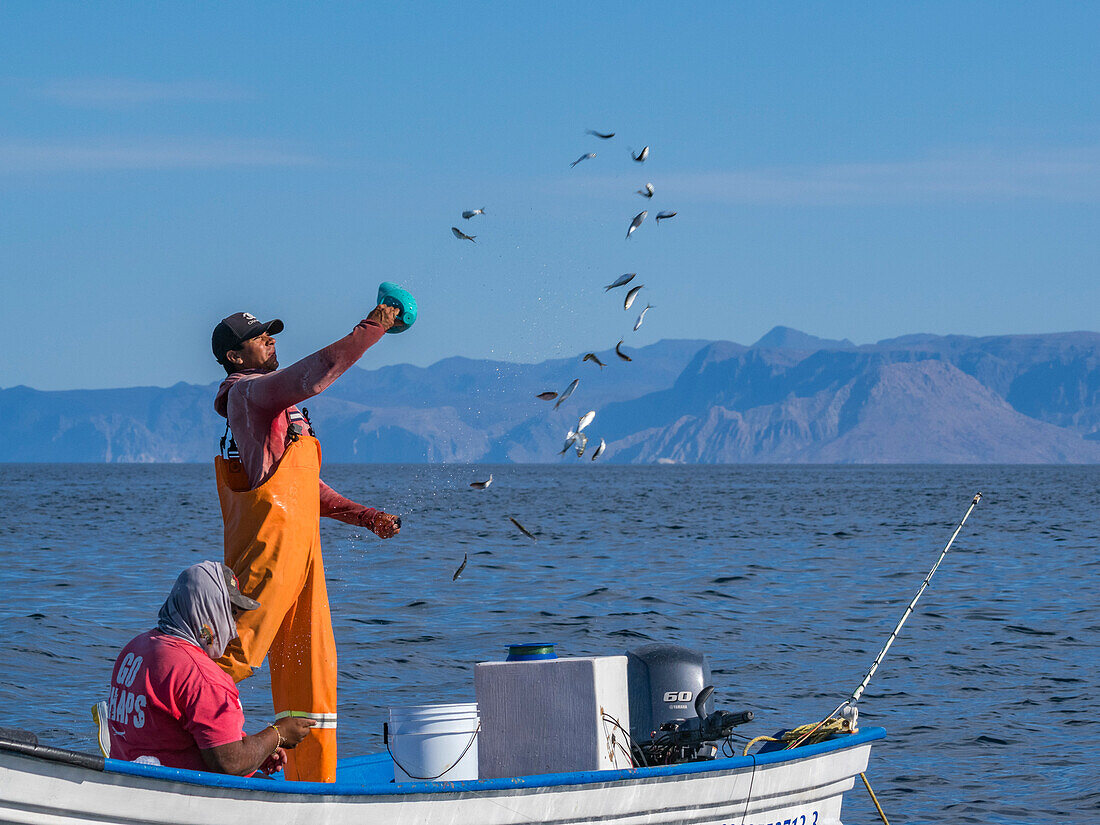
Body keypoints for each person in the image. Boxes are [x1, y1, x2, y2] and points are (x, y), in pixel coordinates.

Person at [210, 306, 401, 783]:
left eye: (270, 334)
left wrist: (366, 517)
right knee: (234, 654)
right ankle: (157, 727)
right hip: (267, 552)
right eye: (258, 338)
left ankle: (311, 781)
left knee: (310, 667)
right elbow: (314, 376)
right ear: (235, 356)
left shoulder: (277, 406)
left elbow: (303, 487)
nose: (270, 341)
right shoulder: (250, 394)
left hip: (303, 556)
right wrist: (372, 328)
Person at [106, 561, 315, 774]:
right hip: (175, 790)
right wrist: (278, 734)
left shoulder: (136, 649)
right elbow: (230, 763)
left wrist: (259, 751)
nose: (233, 630)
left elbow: (165, 731)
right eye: (231, 613)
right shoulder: (203, 677)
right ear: (207, 608)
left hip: (128, 776)